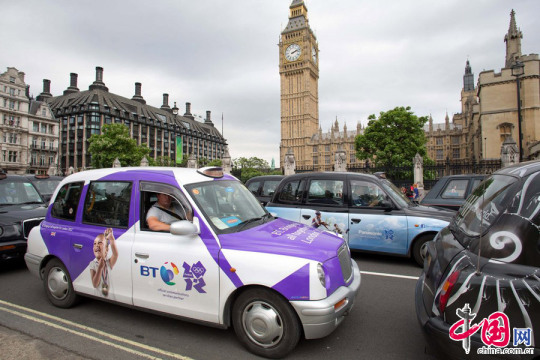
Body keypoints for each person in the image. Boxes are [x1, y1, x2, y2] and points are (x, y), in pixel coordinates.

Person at [89, 228, 118, 296]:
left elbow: (115, 254)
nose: (97, 246)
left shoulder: (108, 262)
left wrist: (111, 238)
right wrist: (100, 268)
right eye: (95, 244)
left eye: (100, 243)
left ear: (107, 249)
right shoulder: (92, 264)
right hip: (98, 296)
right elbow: (95, 284)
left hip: (110, 296)